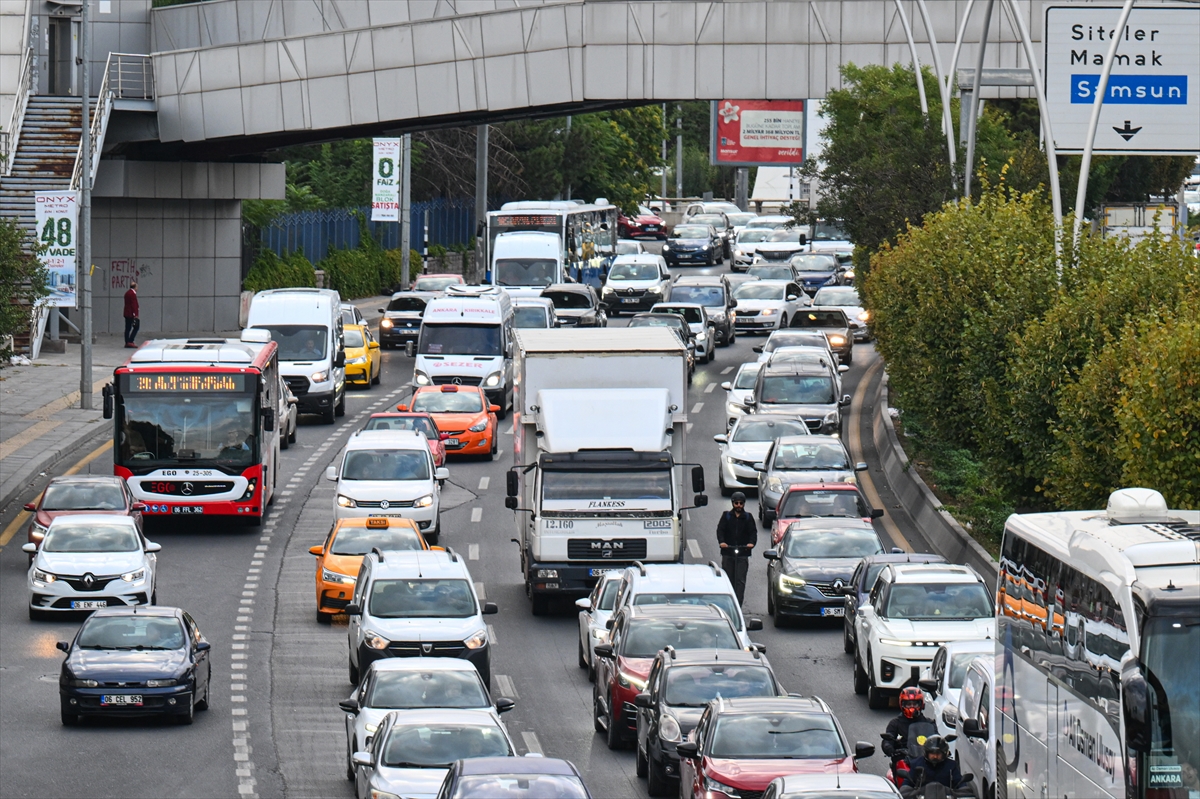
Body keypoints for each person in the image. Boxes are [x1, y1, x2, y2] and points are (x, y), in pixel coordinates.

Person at [716, 491, 757, 604]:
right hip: (728, 552)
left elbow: (753, 532)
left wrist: (751, 544)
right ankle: (728, 603)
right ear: (733, 503)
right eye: (736, 503)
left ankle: (738, 605)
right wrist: (722, 542)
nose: (738, 505)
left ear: (744, 504)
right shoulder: (726, 516)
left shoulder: (748, 517)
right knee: (728, 579)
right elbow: (720, 530)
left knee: (740, 581)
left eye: (741, 503)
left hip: (742, 553)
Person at [882, 686, 935, 758]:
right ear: (902, 705)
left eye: (915, 704)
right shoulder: (895, 723)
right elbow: (887, 740)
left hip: (924, 761)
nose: (912, 707)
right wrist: (889, 748)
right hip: (902, 760)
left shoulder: (929, 723)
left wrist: (941, 747)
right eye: (909, 704)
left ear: (921, 704)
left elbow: (936, 738)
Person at [900, 735, 965, 793]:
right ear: (926, 752)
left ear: (944, 753)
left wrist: (964, 789)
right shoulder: (916, 763)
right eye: (932, 754)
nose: (935, 756)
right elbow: (908, 781)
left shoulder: (951, 765)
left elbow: (959, 782)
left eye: (938, 754)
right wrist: (905, 788)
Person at [123, 280, 140, 348]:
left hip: (127, 313)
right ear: (135, 287)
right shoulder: (132, 294)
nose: (137, 288)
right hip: (130, 314)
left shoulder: (127, 293)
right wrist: (135, 314)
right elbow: (133, 305)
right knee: (136, 327)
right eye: (137, 287)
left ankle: (127, 342)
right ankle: (130, 341)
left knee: (127, 328)